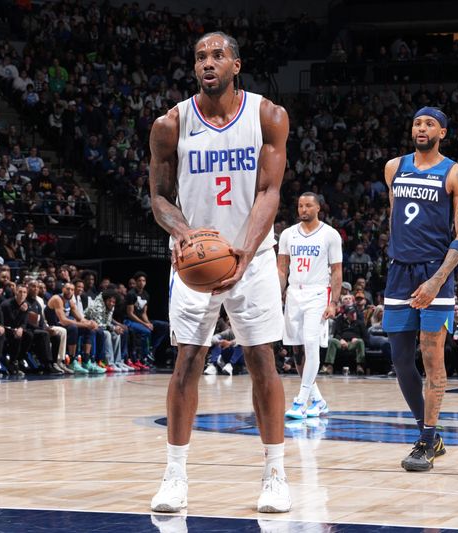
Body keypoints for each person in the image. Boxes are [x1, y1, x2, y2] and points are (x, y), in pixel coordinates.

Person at [149, 32, 291, 513]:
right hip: (195, 260)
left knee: (261, 362)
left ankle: (275, 474)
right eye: (200, 57)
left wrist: (245, 254)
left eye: (217, 56)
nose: (207, 63)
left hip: (250, 254)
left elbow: (269, 192)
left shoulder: (268, 115)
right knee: (187, 362)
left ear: (236, 65)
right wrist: (185, 234)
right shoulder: (170, 125)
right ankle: (174, 475)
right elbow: (161, 199)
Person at [383, 106, 458, 471]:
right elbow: (395, 218)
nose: (422, 128)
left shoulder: (456, 174)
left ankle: (425, 440)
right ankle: (430, 435)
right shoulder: (394, 167)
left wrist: (437, 279)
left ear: (443, 132)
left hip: (435, 272)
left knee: (431, 357)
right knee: (401, 360)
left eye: (430, 124)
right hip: (399, 272)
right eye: (418, 123)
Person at [277, 192, 341, 418]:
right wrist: (278, 294)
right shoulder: (287, 234)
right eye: (300, 205)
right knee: (297, 349)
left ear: (318, 208)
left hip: (317, 293)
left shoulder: (330, 235)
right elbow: (282, 268)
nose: (303, 209)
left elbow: (336, 270)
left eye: (308, 206)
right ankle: (319, 401)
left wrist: (333, 302)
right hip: (294, 293)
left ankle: (300, 401)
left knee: (311, 343)